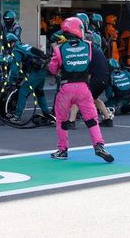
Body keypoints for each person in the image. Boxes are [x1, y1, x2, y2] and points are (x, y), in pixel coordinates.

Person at [47, 17, 114, 162]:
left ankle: (62, 149)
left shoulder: (60, 49)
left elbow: (52, 69)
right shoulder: (88, 46)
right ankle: (99, 145)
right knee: (91, 119)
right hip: (84, 87)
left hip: (66, 88)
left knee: (61, 120)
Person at [4, 33, 52, 123]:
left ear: (9, 43)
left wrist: (10, 82)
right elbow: (28, 63)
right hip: (43, 68)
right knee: (39, 91)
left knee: (23, 91)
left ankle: (17, 116)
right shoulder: (23, 46)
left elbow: (15, 68)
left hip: (37, 71)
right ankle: (46, 113)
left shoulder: (16, 50)